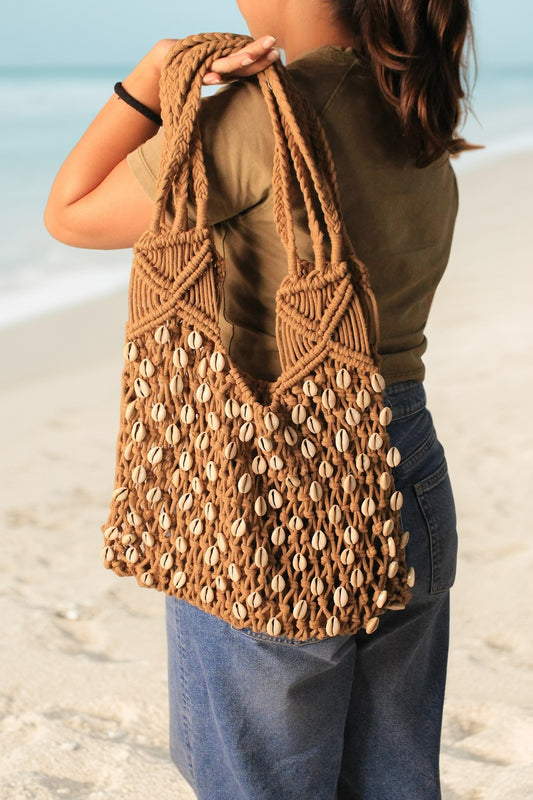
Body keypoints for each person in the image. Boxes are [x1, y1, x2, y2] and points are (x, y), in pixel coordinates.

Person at [45, 1, 477, 798]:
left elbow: (70, 213)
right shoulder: (409, 103)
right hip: (405, 465)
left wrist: (152, 73)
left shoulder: (261, 119)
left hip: (275, 486)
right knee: (389, 782)